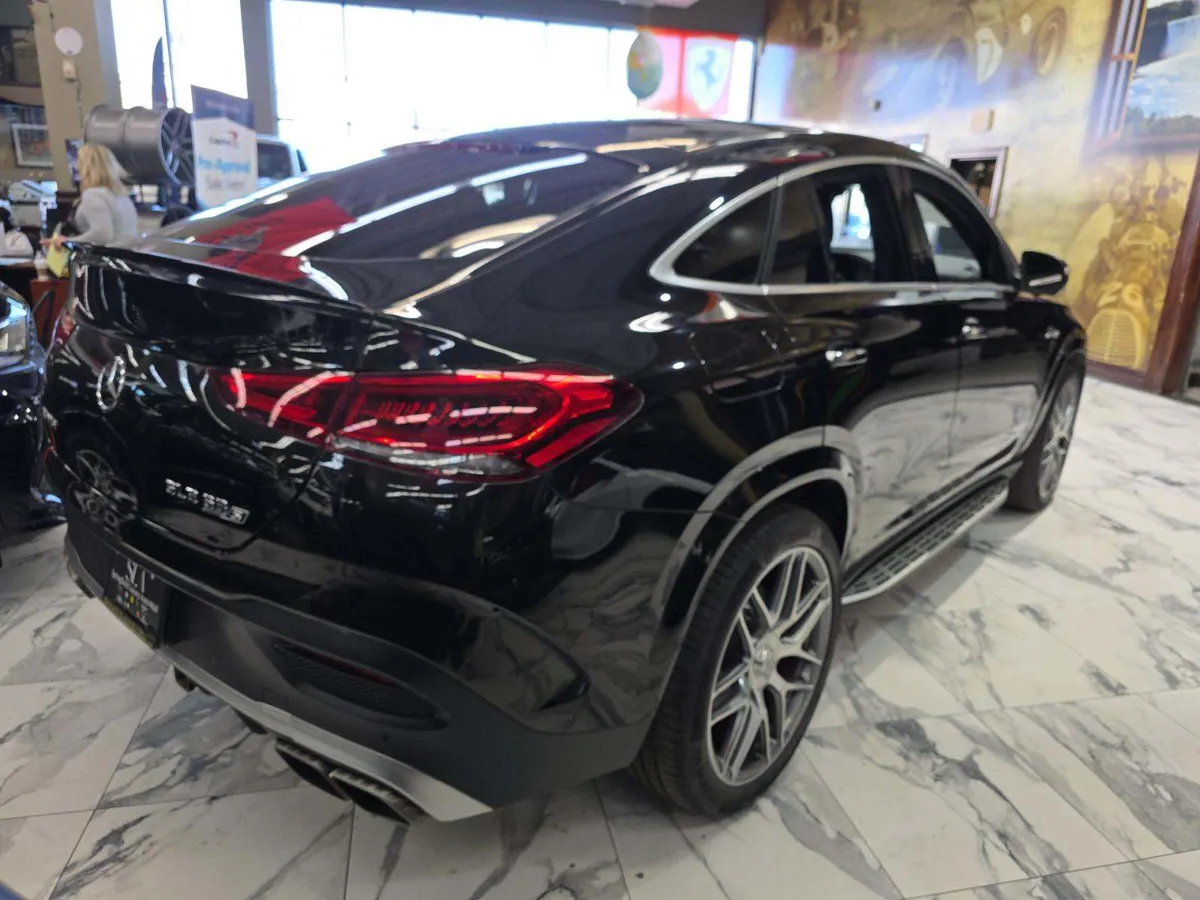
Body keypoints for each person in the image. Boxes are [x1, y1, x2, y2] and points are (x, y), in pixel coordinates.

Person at [48, 143, 138, 248]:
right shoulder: (121, 195)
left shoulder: (93, 195)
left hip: (105, 255)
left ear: (86, 167)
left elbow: (102, 234)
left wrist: (66, 241)